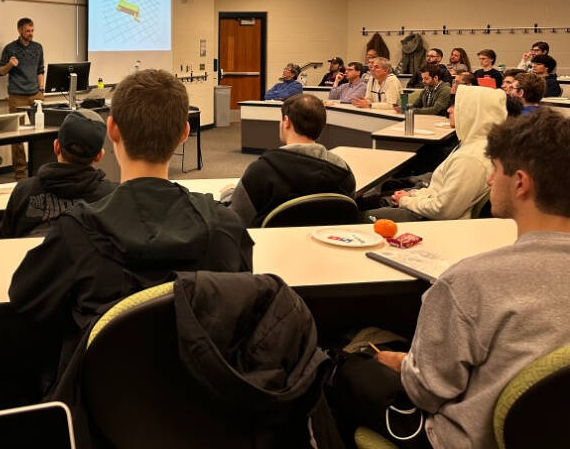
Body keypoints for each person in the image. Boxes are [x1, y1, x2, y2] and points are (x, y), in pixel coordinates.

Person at [354, 110, 570, 448]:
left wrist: (404, 364)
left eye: (494, 171)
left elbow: (426, 393)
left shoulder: (472, 281)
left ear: (520, 183)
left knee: (347, 373)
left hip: (461, 439)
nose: (488, 182)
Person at [9, 69, 253, 368]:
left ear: (112, 130)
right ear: (184, 134)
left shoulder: (76, 233)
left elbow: (25, 300)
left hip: (102, 400)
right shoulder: (226, 229)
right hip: (204, 397)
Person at [362, 86, 506, 222]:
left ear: (473, 112)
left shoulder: (470, 159)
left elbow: (443, 210)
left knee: (356, 216)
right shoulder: (477, 145)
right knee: (367, 201)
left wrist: (406, 201)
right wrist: (413, 195)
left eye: (456, 106)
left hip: (429, 221)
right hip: (426, 207)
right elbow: (439, 192)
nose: (449, 110)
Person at [222, 94, 355, 227]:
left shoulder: (260, 171)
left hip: (272, 246)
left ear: (287, 122)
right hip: (326, 245)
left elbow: (235, 221)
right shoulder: (342, 170)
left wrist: (228, 194)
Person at [0, 108, 117, 238]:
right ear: (99, 156)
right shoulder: (114, 197)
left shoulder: (24, 190)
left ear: (56, 147)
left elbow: (2, 242)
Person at [0, 17, 45, 179]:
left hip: (36, 94)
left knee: (42, 132)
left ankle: (40, 168)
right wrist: (10, 64)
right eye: (27, 31)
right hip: (17, 96)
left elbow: (40, 69)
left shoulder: (38, 47)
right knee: (17, 135)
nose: (31, 34)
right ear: (19, 31)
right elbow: (0, 71)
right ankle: (20, 173)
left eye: (32, 30)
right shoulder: (10, 49)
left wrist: (42, 89)